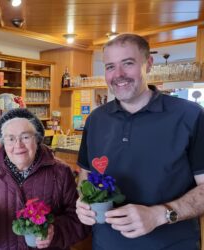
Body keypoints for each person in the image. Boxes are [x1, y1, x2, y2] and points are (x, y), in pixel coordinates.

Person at [75, 33, 204, 249]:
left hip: (171, 244)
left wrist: (160, 214)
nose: (118, 75)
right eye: (109, 67)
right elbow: (86, 176)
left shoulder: (190, 116)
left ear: (148, 64)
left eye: (128, 63)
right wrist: (84, 201)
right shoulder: (96, 119)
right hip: (105, 244)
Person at [0, 108, 90, 250]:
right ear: (3, 142)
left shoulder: (61, 172)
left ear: (37, 139)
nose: (18, 145)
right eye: (11, 138)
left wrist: (54, 232)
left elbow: (80, 220)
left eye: (25, 137)